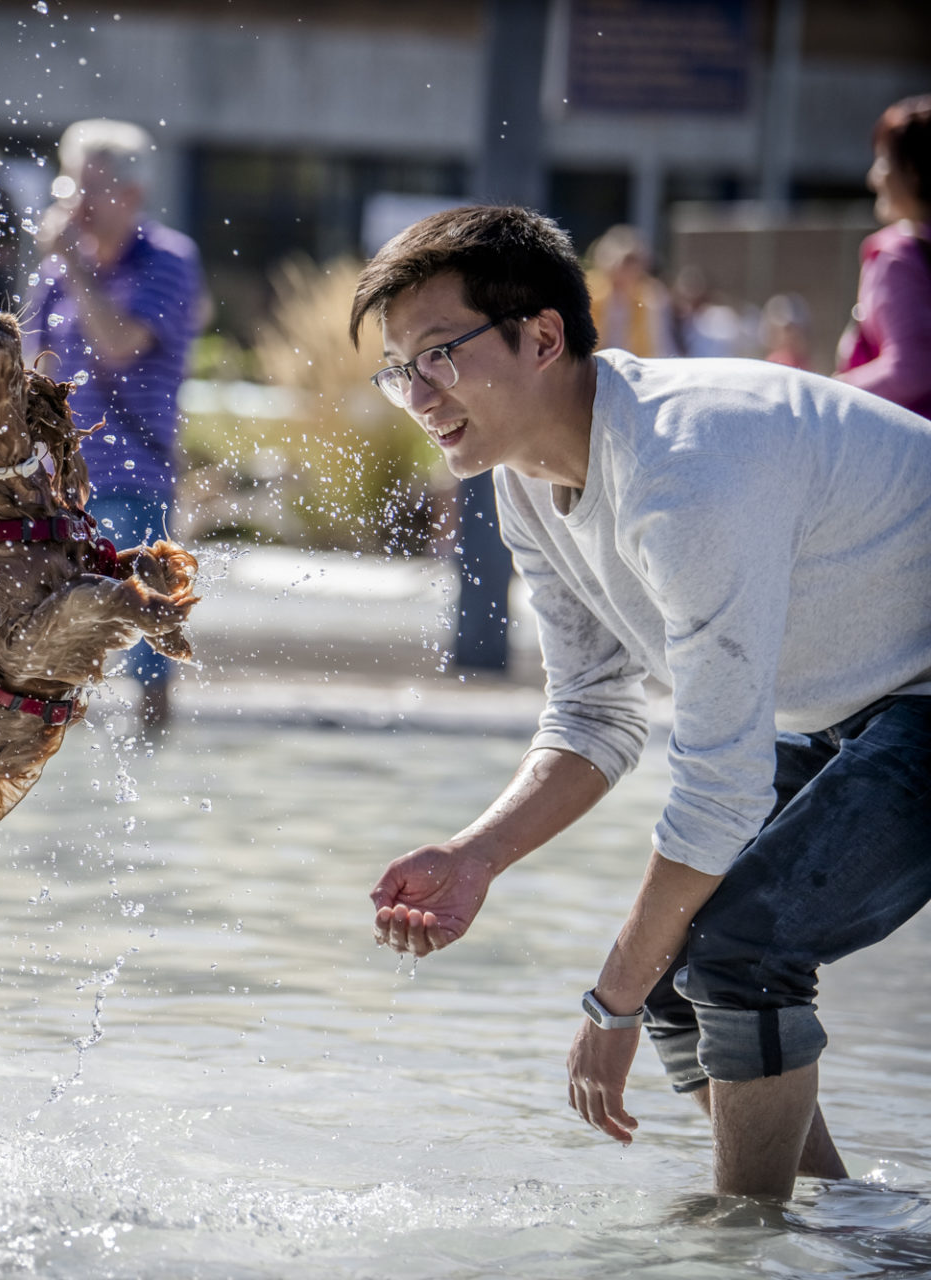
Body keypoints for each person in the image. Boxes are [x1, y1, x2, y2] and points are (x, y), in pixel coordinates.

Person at [354, 205, 931, 1201]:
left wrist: (609, 1003)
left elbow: (720, 780)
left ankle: (751, 1242)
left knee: (739, 949)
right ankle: (848, 1235)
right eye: (398, 369)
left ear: (542, 335)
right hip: (860, 698)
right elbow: (594, 707)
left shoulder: (688, 469)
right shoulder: (525, 477)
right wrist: (476, 853)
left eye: (438, 354)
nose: (417, 393)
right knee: (679, 967)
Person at [26, 119, 202, 733]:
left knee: (150, 631)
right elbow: (30, 371)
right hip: (60, 480)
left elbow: (122, 344)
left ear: (130, 195)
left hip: (134, 474)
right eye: (69, 185)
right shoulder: (53, 274)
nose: (73, 203)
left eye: (88, 188)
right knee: (52, 630)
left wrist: (75, 268)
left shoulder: (170, 260)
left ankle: (153, 754)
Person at [835, 94, 931, 417]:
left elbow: (911, 369)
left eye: (882, 161)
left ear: (913, 172)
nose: (873, 177)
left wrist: (828, 392)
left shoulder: (898, 254)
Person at [585, 225, 678, 358]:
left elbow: (661, 342)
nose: (630, 270)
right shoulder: (590, 291)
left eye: (635, 262)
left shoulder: (649, 297)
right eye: (626, 262)